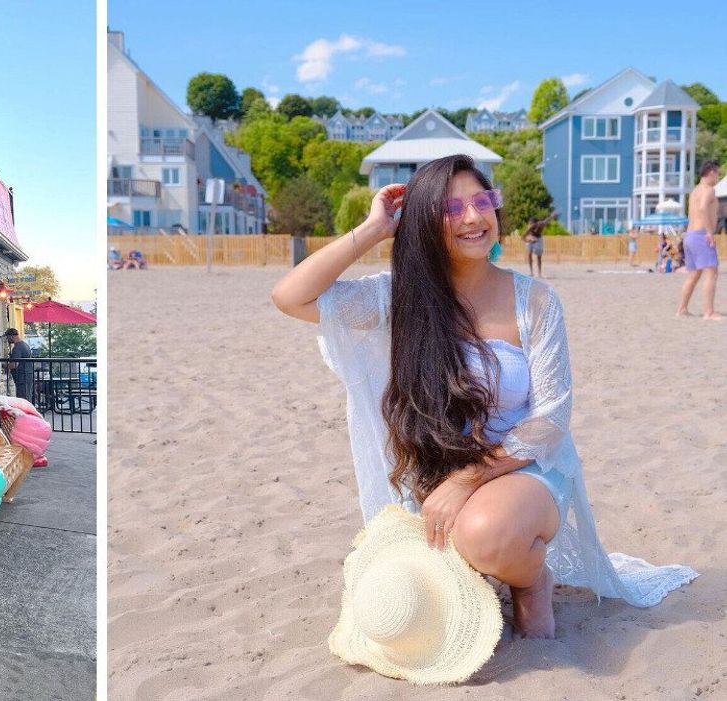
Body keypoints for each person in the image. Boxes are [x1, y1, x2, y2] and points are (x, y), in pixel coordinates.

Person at [271, 154, 695, 640]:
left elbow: (550, 419)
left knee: (484, 534)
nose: (474, 218)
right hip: (436, 469)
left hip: (524, 466)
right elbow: (292, 297)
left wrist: (467, 482)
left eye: (482, 201)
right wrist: (373, 229)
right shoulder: (397, 299)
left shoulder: (533, 300)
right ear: (426, 223)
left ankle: (532, 582)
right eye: (452, 209)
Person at [675, 160, 723, 319]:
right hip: (701, 235)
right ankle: (708, 312)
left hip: (690, 236)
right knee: (712, 272)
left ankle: (682, 309)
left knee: (693, 274)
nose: (718, 177)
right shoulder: (708, 190)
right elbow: (703, 208)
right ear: (711, 173)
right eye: (718, 173)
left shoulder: (695, 191)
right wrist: (710, 232)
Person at [522, 210, 556, 278]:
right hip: (530, 238)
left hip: (539, 239)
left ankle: (539, 273)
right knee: (529, 254)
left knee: (539, 256)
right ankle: (531, 272)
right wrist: (529, 240)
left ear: (537, 223)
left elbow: (547, 220)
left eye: (532, 225)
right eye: (530, 225)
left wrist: (552, 216)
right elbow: (522, 237)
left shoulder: (541, 224)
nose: (532, 226)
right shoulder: (530, 227)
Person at [3, 327, 34, 401]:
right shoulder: (25, 345)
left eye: (7, 337)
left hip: (22, 378)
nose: (7, 340)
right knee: (27, 399)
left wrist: (4, 365)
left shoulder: (17, 348)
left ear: (11, 336)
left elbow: (14, 364)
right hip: (27, 376)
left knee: (22, 400)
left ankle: (24, 413)